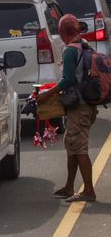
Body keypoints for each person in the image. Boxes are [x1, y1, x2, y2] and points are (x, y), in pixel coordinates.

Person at [37, 14, 98, 202]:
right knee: (72, 145)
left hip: (78, 106)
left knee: (79, 147)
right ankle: (69, 187)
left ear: (63, 32)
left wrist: (48, 94)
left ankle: (88, 190)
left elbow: (68, 79)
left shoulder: (70, 51)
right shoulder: (84, 45)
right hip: (87, 104)